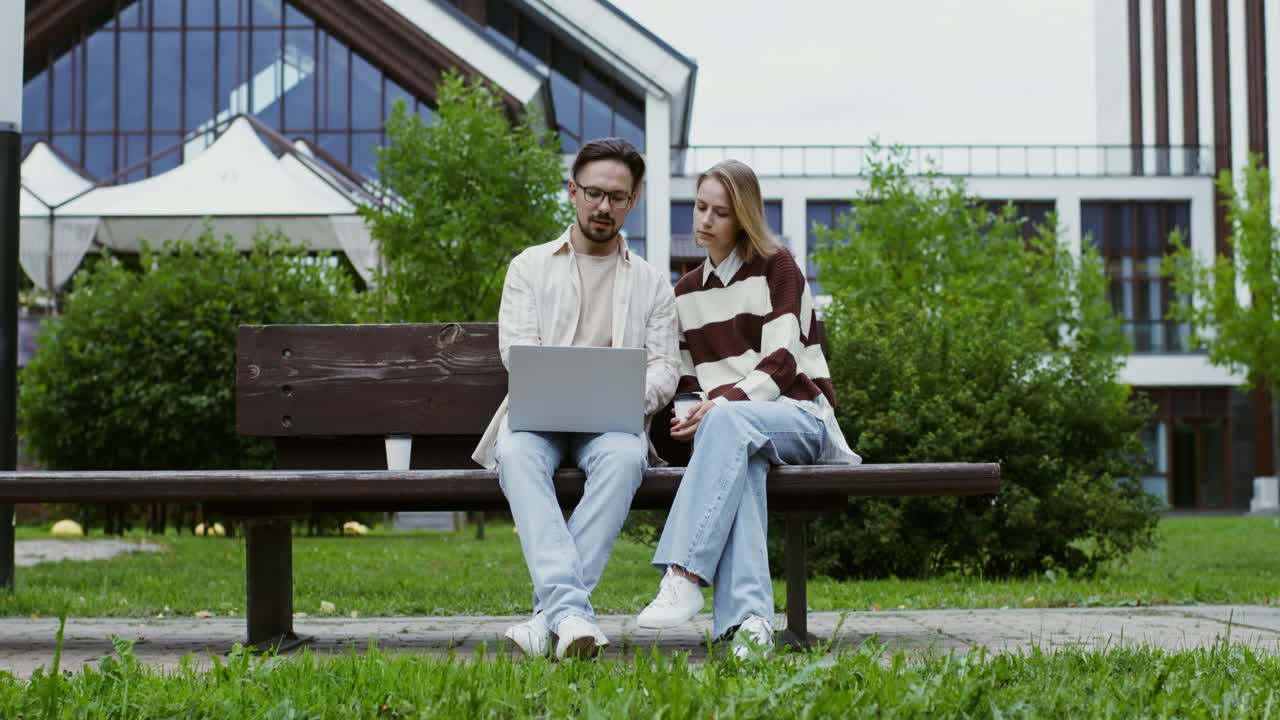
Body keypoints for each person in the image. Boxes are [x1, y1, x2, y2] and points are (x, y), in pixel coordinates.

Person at [635, 159, 860, 658]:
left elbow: (781, 365)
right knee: (744, 456)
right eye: (700, 207)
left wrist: (717, 406)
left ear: (743, 218)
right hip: (733, 431)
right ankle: (749, 626)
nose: (705, 220)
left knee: (730, 422)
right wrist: (692, 413)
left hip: (799, 418)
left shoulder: (778, 267)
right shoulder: (684, 293)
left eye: (720, 212)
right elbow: (688, 379)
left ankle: (684, 572)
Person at [472, 137, 680, 660]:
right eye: (593, 193)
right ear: (572, 191)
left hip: (614, 422)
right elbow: (517, 352)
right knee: (515, 451)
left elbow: (665, 368)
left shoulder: (653, 283)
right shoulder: (529, 267)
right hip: (538, 417)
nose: (603, 206)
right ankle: (570, 615)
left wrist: (628, 397)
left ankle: (550, 618)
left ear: (632, 201)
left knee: (627, 456)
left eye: (617, 197)